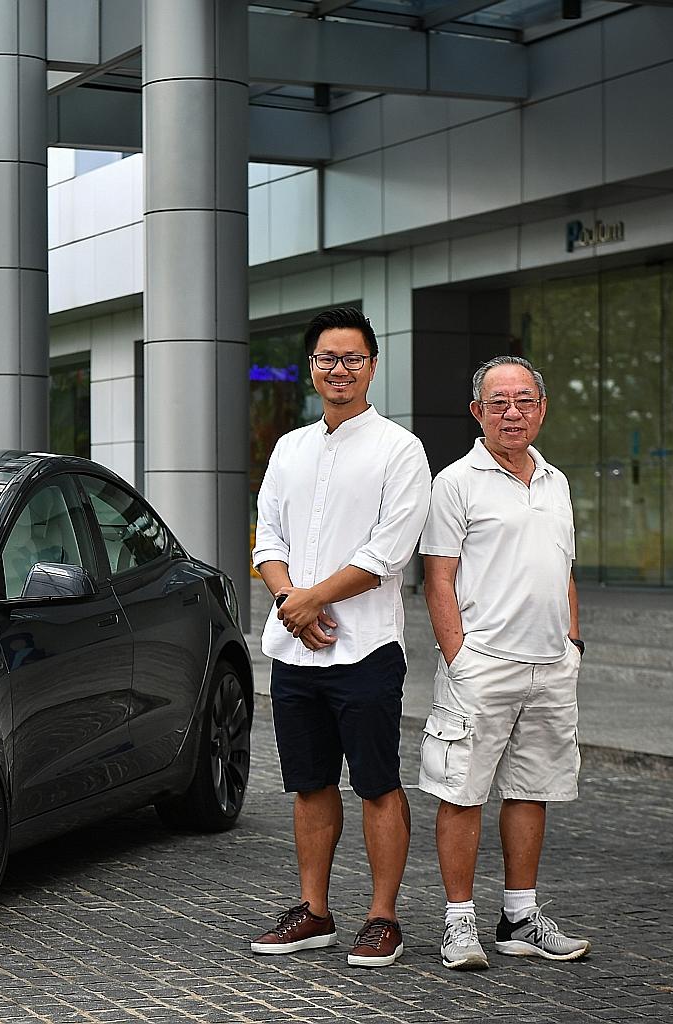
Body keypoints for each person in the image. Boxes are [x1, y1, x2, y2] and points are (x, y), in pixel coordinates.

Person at [250, 306, 431, 968]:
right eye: (327, 358)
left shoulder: (399, 449)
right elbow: (267, 538)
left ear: (373, 366)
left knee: (378, 783)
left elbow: (391, 548)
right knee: (309, 783)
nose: (339, 369)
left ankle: (384, 917)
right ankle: (315, 911)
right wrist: (289, 601)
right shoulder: (290, 448)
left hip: (367, 650)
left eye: (352, 358)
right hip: (297, 651)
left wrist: (312, 599)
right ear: (311, 368)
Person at [418, 355, 592, 970]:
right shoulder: (455, 482)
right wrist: (458, 656)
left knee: (531, 790)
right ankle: (459, 924)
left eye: (524, 401)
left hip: (549, 666)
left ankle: (519, 917)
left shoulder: (557, 481)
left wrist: (571, 641)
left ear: (541, 410)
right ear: (478, 412)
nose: (512, 412)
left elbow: (564, 569)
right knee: (461, 790)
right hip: (481, 664)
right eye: (499, 402)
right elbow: (437, 577)